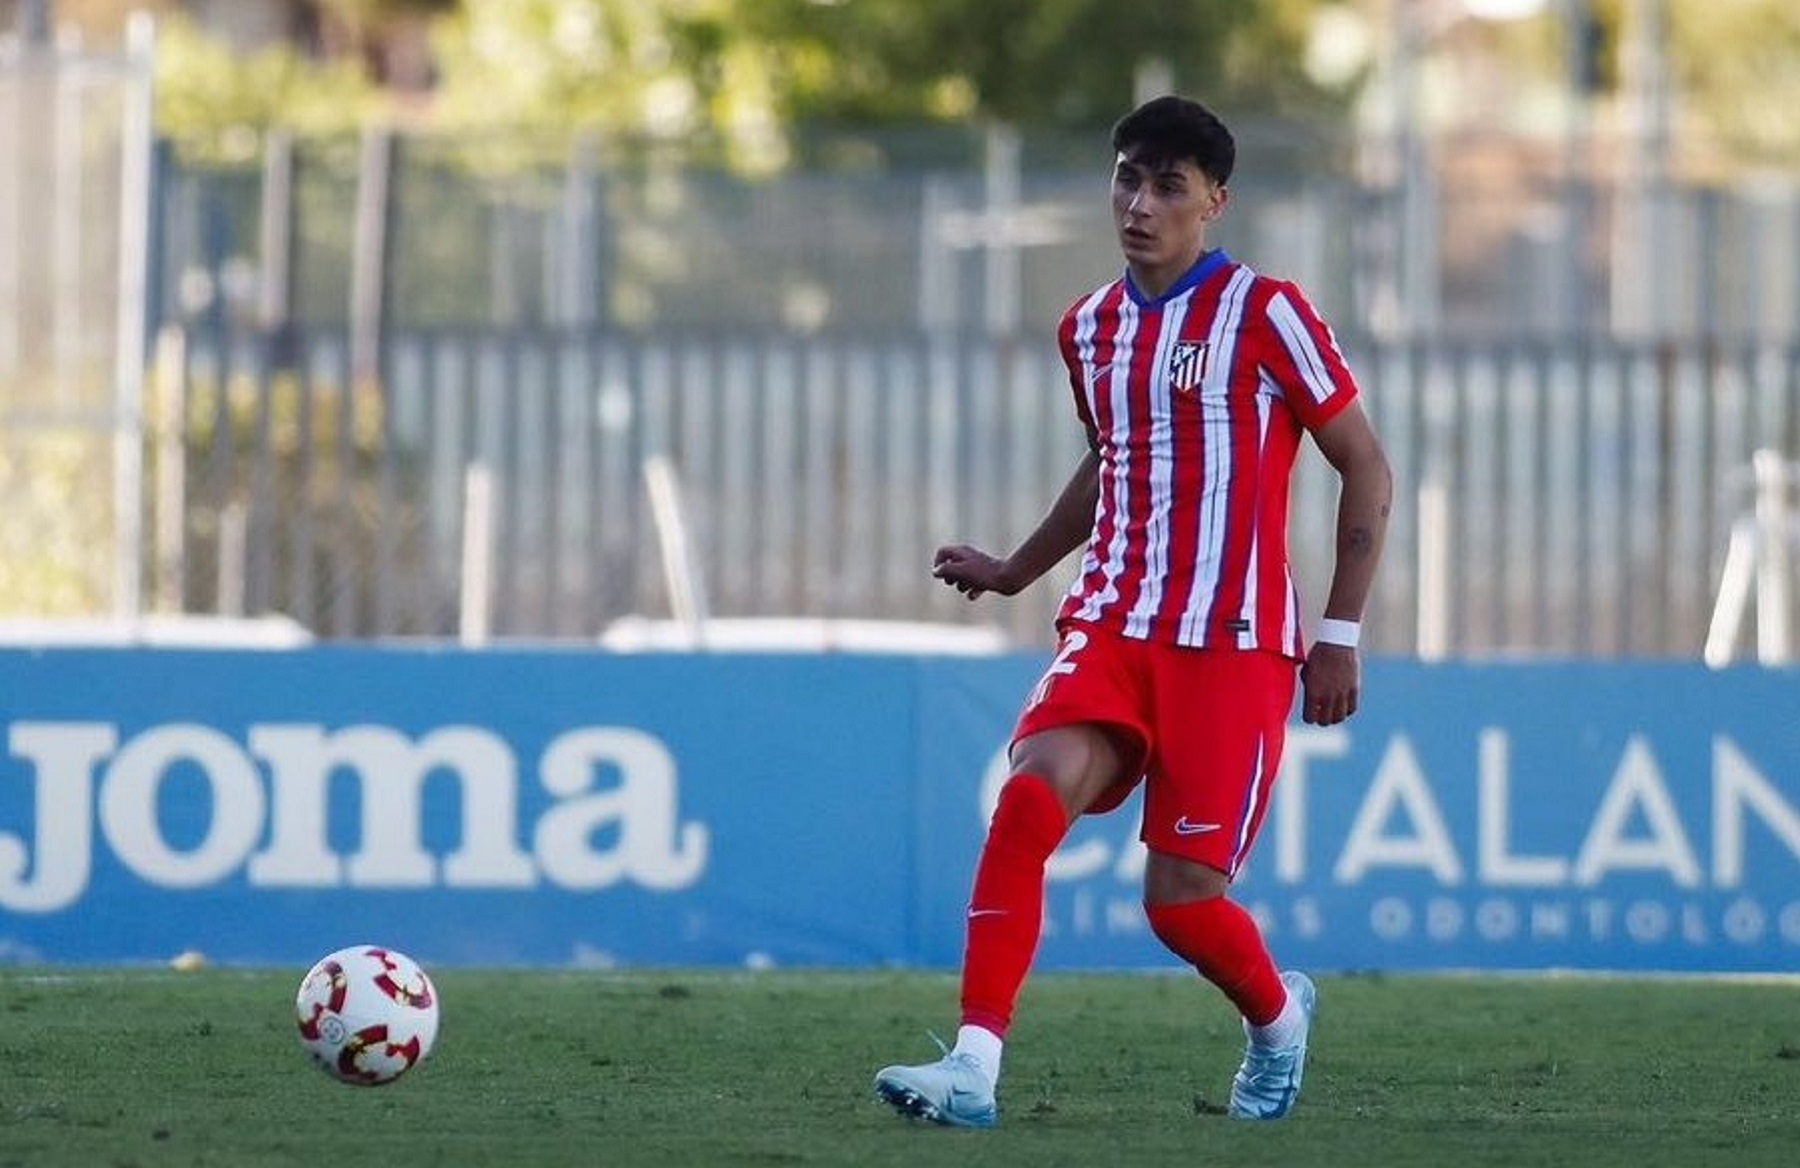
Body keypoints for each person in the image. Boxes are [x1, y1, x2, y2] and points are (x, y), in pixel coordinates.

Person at [872, 94, 1392, 1127]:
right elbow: (1115, 456)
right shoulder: (1091, 326)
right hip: (1113, 620)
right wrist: (1020, 568)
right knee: (1024, 805)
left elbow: (1365, 465)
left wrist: (1338, 632)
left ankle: (1279, 1018)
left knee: (1179, 905)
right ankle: (974, 1066)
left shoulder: (1267, 312)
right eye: (1126, 178)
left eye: (1167, 186)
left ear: (1214, 203)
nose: (1139, 203)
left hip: (1233, 644)